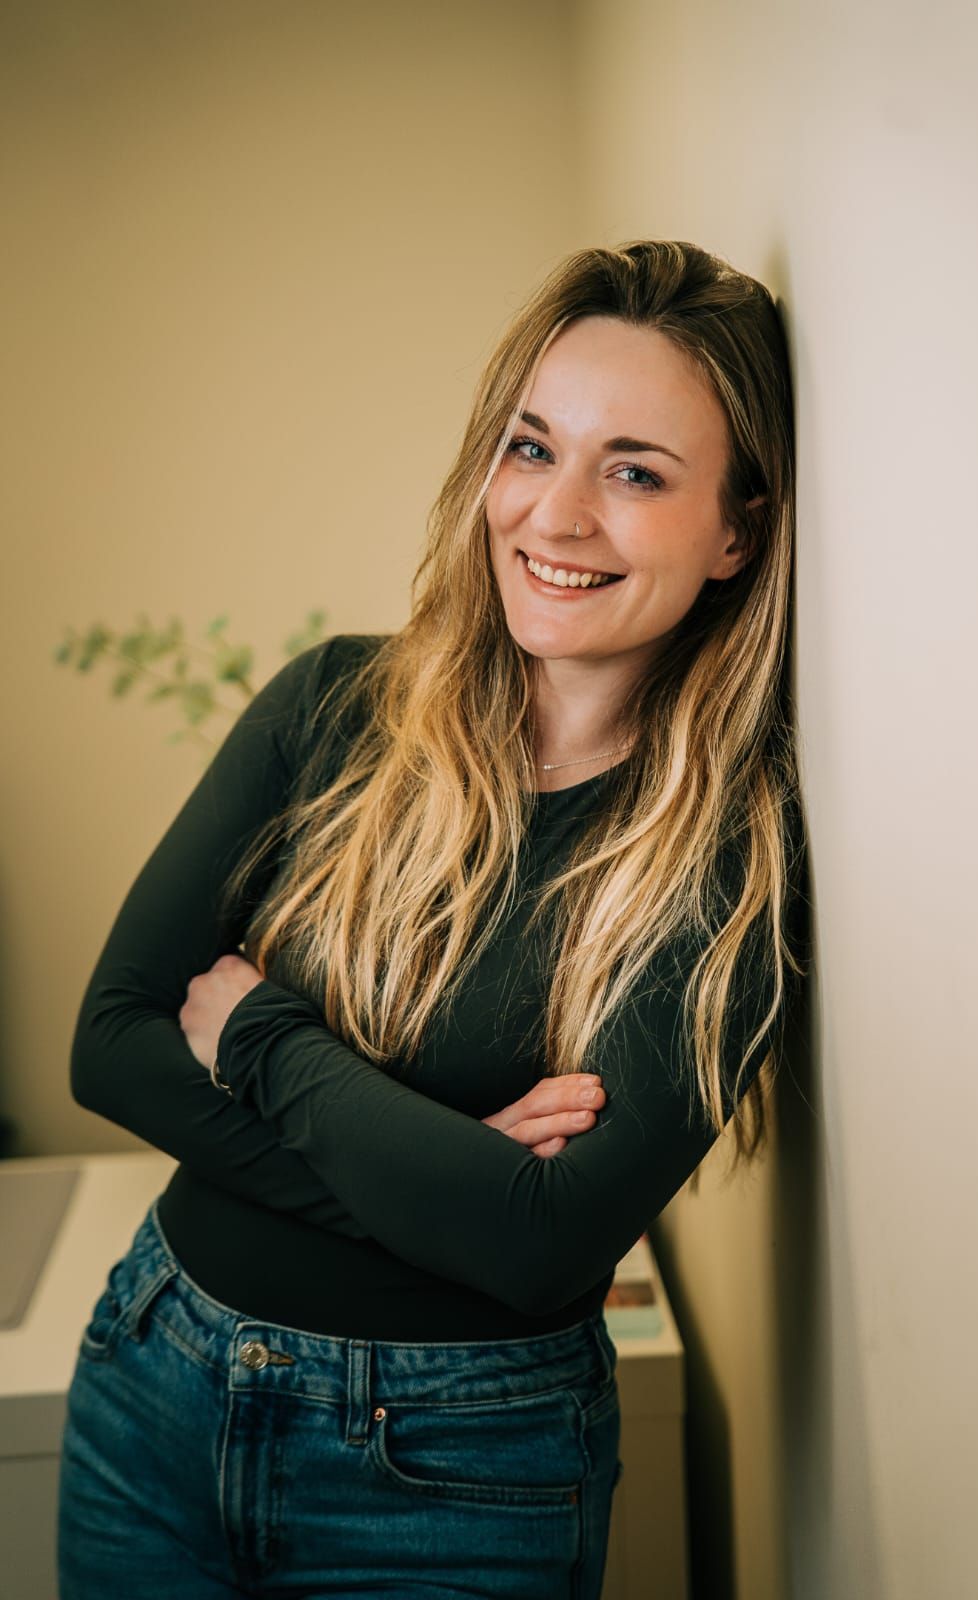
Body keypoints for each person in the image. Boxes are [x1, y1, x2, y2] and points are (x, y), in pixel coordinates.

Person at [57, 238, 809, 1600]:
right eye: (532, 449)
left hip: (460, 1471)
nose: (555, 517)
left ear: (735, 532)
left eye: (633, 472)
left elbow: (538, 1246)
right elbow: (110, 1045)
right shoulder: (331, 707)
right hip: (152, 1382)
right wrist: (441, 1179)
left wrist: (266, 1038)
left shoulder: (726, 861)